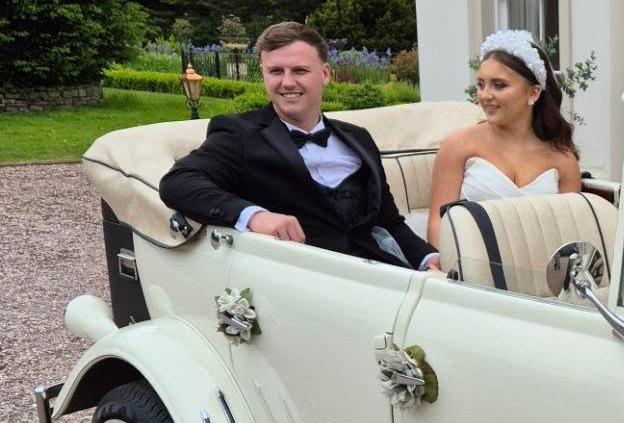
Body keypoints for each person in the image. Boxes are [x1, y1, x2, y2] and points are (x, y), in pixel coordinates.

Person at [160, 21, 439, 271]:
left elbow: (388, 221)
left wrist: (427, 258)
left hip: (378, 273)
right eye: (276, 71)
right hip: (299, 281)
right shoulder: (238, 134)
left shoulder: (359, 139)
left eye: (300, 70)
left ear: (326, 73)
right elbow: (179, 181)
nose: (287, 82)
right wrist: (254, 216)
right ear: (264, 74)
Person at [420, 29, 581, 247]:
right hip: (468, 270)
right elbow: (438, 223)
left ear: (533, 93)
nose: (485, 95)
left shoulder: (563, 159)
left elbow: (570, 233)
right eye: (481, 84)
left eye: (499, 85)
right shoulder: (458, 145)